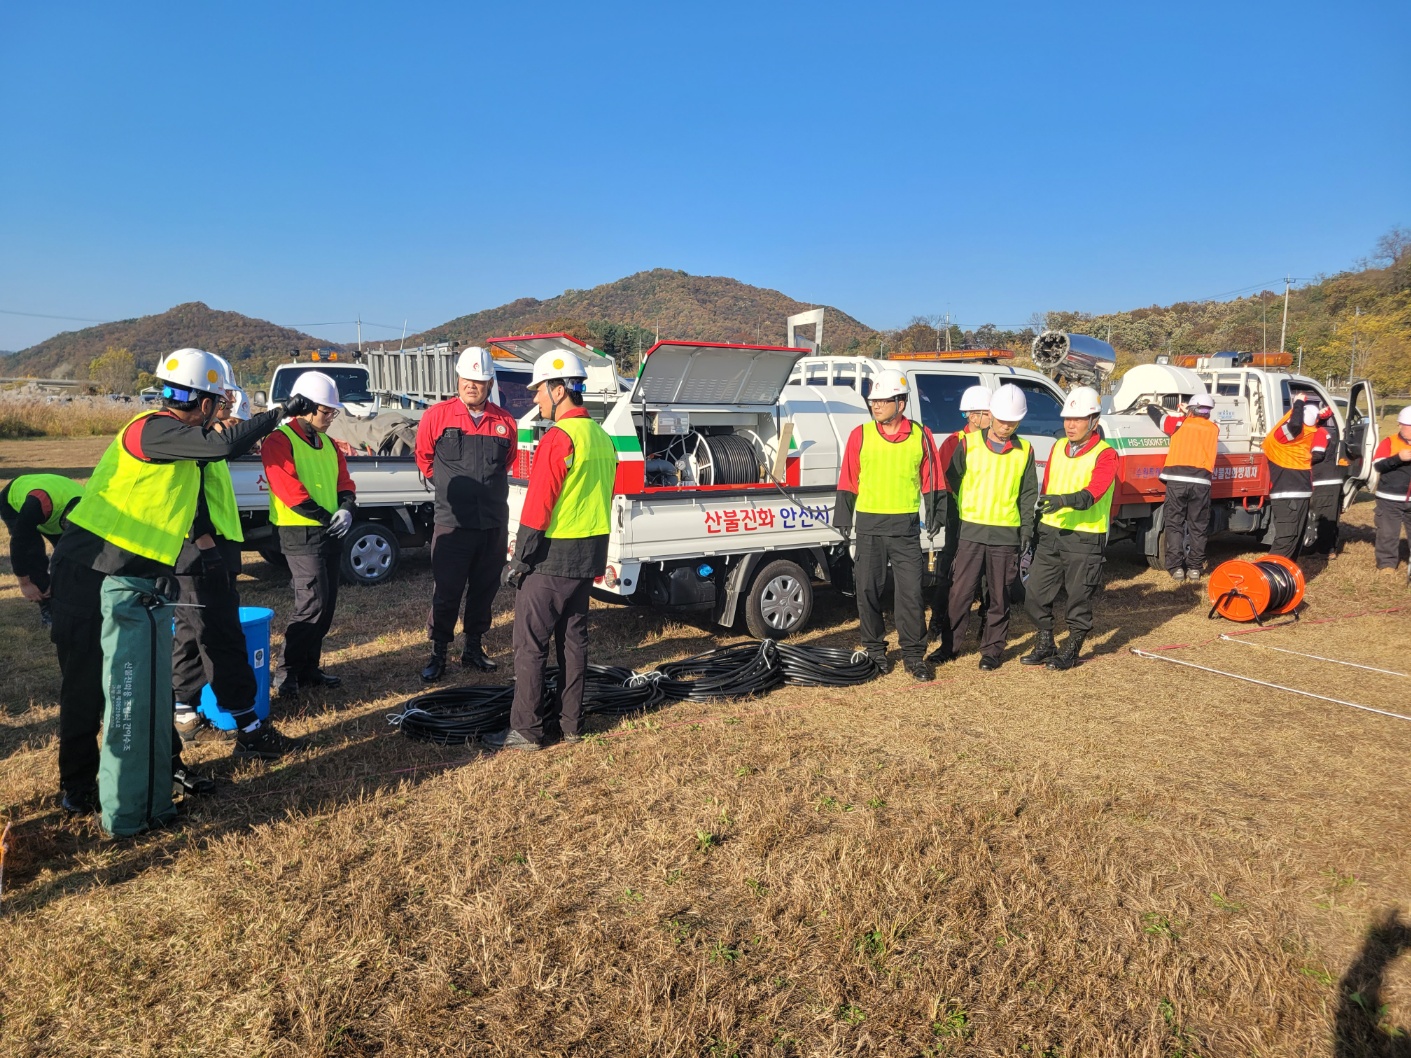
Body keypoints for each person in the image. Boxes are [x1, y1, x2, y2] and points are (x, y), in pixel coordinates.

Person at [47, 349, 307, 830]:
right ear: (204, 403)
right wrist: (281, 412)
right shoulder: (150, 428)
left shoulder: (181, 446)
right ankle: (79, 787)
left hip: (132, 576)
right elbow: (220, 446)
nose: (223, 413)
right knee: (87, 685)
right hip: (86, 570)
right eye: (218, 403)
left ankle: (164, 769)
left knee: (140, 679)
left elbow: (193, 487)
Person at [171, 358, 305, 759]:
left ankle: (183, 711)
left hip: (200, 549)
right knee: (222, 636)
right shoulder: (195, 443)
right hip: (200, 551)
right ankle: (249, 728)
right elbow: (188, 492)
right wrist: (205, 539)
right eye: (226, 407)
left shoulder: (194, 440)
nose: (230, 416)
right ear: (207, 403)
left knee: (189, 632)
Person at [483, 350, 616, 752]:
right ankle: (571, 724)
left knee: (530, 645)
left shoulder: (559, 438)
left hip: (551, 559)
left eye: (539, 390)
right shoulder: (601, 436)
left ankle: (526, 731)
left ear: (559, 390)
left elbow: (539, 506)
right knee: (574, 643)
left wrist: (520, 560)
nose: (536, 399)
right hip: (587, 557)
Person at [413, 346, 518, 681]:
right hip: (452, 524)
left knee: (484, 589)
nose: (472, 385)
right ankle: (439, 653)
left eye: (480, 380)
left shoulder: (505, 422)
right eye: (467, 379)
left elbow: (509, 461)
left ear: (489, 383)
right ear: (458, 379)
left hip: (492, 524)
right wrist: (449, 487)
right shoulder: (437, 416)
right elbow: (424, 458)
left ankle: (473, 647)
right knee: (447, 591)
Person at [833, 369, 946, 680]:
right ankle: (874, 652)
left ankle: (913, 656)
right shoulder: (861, 434)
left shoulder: (921, 435)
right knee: (867, 590)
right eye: (873, 400)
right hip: (868, 526)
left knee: (910, 593)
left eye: (882, 400)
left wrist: (936, 513)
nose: (875, 405)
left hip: (906, 528)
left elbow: (932, 478)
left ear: (901, 402)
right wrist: (843, 515)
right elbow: (848, 477)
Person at [261, 371, 357, 699]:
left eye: (333, 412)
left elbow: (344, 482)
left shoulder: (328, 444)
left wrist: (346, 507)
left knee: (326, 604)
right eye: (327, 411)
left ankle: (309, 668)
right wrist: (329, 517)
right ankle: (286, 674)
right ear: (306, 407)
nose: (331, 417)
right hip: (300, 532)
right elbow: (291, 491)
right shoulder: (279, 441)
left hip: (328, 531)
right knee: (311, 602)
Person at [932, 383, 1037, 670]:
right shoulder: (968, 443)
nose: (1006, 427)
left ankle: (991, 651)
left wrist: (1026, 530)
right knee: (959, 593)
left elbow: (1028, 495)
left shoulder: (1025, 450)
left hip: (1006, 534)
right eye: (1003, 420)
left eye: (1013, 422)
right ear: (991, 414)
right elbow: (952, 480)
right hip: (971, 532)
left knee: (999, 596)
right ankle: (949, 647)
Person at [1022, 387, 1119, 670]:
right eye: (1067, 419)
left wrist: (1063, 501)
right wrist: (1037, 524)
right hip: (1052, 533)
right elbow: (1048, 487)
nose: (1070, 425)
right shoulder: (1057, 447)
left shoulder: (1106, 454)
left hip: (1085, 537)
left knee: (1078, 598)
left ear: (1094, 421)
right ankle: (1045, 642)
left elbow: (1093, 493)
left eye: (1077, 419)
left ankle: (1072, 649)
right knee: (1034, 594)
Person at [927, 384, 990, 644]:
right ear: (973, 416)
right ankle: (938, 622)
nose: (994, 417)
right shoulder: (955, 442)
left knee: (988, 575)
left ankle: (986, 623)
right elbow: (943, 482)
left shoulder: (998, 442)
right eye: (989, 413)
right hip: (959, 515)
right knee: (948, 572)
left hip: (989, 516)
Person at [1146, 392, 1219, 583]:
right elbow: (1197, 422)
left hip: (1177, 481)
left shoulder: (1178, 423)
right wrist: (1187, 412)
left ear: (1192, 409)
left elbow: (1159, 419)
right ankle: (1195, 568)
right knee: (1198, 527)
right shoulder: (1213, 428)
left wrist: (1150, 406)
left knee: (1174, 524)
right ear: (1208, 412)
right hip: (1201, 484)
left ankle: (1176, 568)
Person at [1, 473, 83, 626]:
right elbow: (20, 545)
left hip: (55, 502)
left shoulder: (90, 508)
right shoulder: (37, 506)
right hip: (15, 502)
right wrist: (24, 583)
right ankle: (46, 605)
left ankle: (63, 597)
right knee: (33, 553)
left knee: (71, 556)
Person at [1262, 393, 1319, 560]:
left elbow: (1295, 424)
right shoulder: (1303, 433)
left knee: (1292, 539)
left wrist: (1298, 403)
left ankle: (1283, 575)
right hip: (1291, 496)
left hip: (1292, 495)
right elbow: (1296, 424)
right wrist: (1300, 405)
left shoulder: (1284, 438)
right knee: (1288, 539)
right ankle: (1270, 573)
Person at [1371, 406, 1411, 577]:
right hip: (1389, 498)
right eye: (1409, 426)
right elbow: (1378, 465)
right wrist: (1398, 459)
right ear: (1400, 425)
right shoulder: (1389, 442)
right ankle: (1387, 563)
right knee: (1387, 532)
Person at [1307, 402, 1346, 557]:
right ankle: (1328, 548)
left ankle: (1325, 550)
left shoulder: (1319, 433)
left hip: (1324, 481)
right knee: (1329, 516)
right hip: (1330, 480)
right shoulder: (1325, 431)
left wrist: (1299, 460)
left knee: (1324, 516)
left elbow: (1317, 454)